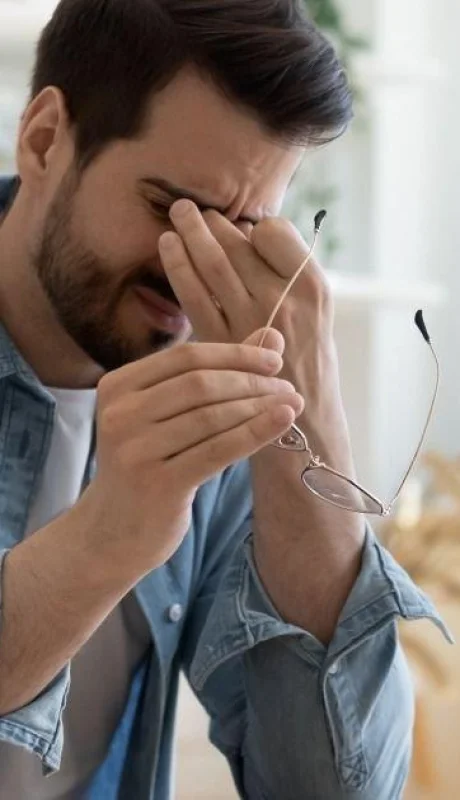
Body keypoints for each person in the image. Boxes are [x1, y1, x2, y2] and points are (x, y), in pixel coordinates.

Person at [0, 1, 448, 798]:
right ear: (43, 140)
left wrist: (310, 423)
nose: (195, 267)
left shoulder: (222, 405)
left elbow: (329, 792)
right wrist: (111, 534)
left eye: (245, 228)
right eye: (171, 209)